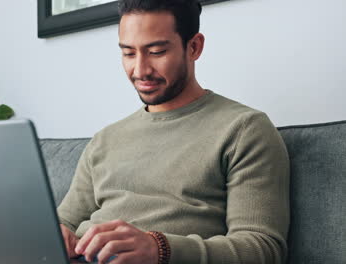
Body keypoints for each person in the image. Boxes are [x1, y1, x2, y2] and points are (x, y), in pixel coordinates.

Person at [58, 0, 290, 263]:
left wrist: (159, 248)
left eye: (156, 52)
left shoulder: (244, 130)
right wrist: (56, 235)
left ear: (194, 47)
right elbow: (64, 222)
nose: (140, 70)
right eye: (129, 54)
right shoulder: (105, 140)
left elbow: (263, 248)